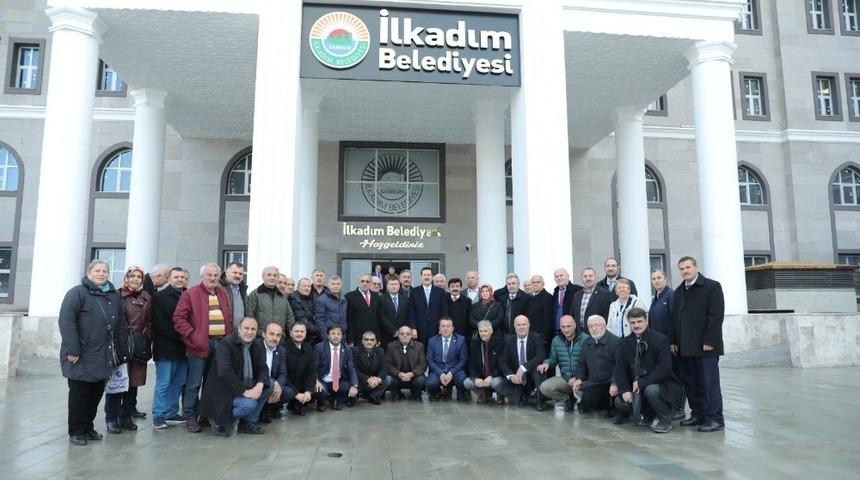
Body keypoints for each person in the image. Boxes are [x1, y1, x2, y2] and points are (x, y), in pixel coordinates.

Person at [59, 260, 124, 446]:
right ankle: (76, 431)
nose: (101, 274)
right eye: (98, 271)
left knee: (95, 394)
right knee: (79, 394)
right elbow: (66, 321)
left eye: (105, 271)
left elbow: (119, 324)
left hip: (104, 355)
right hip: (80, 354)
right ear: (89, 272)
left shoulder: (113, 295)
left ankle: (88, 427)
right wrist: (72, 348)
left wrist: (120, 350)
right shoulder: (77, 293)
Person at [172, 262, 234, 433]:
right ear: (202, 276)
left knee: (212, 383)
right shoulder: (191, 293)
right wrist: (194, 336)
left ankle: (205, 414)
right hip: (199, 346)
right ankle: (190, 417)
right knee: (193, 383)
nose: (212, 278)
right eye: (209, 275)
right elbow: (179, 319)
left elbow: (227, 318)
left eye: (215, 275)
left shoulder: (222, 294)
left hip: (220, 345)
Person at [671, 256, 726, 433]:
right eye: (682, 268)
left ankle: (715, 418)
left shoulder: (712, 286)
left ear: (696, 267)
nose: (685, 271)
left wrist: (710, 341)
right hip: (685, 347)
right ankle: (698, 414)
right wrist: (673, 341)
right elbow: (675, 319)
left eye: (688, 267)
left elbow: (716, 316)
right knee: (691, 383)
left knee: (709, 383)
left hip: (705, 347)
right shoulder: (679, 290)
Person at [613, 308, 683, 434]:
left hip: (663, 384)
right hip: (636, 384)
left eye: (639, 321)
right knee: (620, 401)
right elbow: (620, 369)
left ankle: (665, 419)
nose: (636, 325)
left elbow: (664, 368)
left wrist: (642, 383)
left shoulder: (660, 340)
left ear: (646, 322)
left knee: (651, 390)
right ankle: (648, 414)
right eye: (633, 323)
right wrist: (625, 390)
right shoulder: (625, 343)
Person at [199, 317, 271, 436]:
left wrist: (259, 385)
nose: (250, 332)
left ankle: (247, 422)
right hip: (222, 391)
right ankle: (218, 419)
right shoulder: (225, 344)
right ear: (239, 330)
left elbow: (263, 369)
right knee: (250, 404)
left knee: (270, 385)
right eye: (246, 328)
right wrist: (244, 392)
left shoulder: (255, 346)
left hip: (245, 386)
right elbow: (225, 372)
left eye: (253, 329)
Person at [105, 265, 152, 434]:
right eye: (132, 276)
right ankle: (111, 418)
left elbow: (150, 319)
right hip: (121, 345)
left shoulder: (147, 297)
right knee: (117, 384)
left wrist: (147, 334)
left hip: (139, 346)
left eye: (139, 276)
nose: (135, 279)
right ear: (126, 278)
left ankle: (126, 417)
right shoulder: (117, 295)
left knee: (133, 384)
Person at [151, 267, 189, 429]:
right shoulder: (159, 297)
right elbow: (159, 323)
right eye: (176, 277)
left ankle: (171, 412)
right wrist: (183, 334)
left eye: (183, 277)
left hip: (184, 348)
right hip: (166, 347)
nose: (180, 279)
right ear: (169, 278)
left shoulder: (188, 296)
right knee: (163, 383)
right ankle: (158, 415)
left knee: (178, 382)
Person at [537, 315, 588, 411]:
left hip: (582, 380)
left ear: (575, 325)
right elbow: (553, 358)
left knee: (584, 396)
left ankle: (581, 400)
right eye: (563, 327)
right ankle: (568, 400)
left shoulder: (586, 339)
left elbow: (589, 364)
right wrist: (546, 363)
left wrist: (579, 378)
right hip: (566, 379)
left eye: (569, 326)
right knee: (544, 387)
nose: (566, 330)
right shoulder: (556, 340)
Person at [573, 315, 622, 415]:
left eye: (596, 325)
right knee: (582, 394)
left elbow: (620, 367)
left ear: (604, 326)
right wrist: (579, 378)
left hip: (609, 385)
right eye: (590, 326)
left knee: (590, 399)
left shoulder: (616, 342)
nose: (593, 329)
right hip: (593, 383)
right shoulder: (587, 342)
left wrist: (614, 384)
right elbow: (581, 363)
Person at [497, 315, 547, 410]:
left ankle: (541, 401)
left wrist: (524, 367)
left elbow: (541, 356)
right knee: (499, 386)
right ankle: (522, 396)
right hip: (517, 375)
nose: (521, 327)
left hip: (532, 371)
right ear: (514, 326)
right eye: (518, 325)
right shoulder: (509, 340)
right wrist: (511, 376)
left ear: (529, 325)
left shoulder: (537, 337)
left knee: (540, 373)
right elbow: (502, 361)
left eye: (524, 324)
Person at [314, 325, 359, 411]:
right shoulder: (319, 347)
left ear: (342, 336)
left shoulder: (347, 349)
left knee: (350, 387)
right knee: (320, 390)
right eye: (333, 333)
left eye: (339, 334)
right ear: (328, 335)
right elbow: (314, 367)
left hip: (338, 380)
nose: (336, 336)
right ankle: (320, 403)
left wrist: (354, 385)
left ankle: (335, 400)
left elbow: (351, 368)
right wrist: (316, 380)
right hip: (323, 379)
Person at [256, 323, 293, 423]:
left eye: (278, 335)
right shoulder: (256, 346)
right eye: (271, 334)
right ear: (264, 334)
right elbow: (256, 372)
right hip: (258, 383)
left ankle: (269, 408)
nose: (275, 338)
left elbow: (283, 373)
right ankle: (261, 411)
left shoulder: (281, 350)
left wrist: (278, 384)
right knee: (271, 386)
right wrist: (272, 383)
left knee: (288, 392)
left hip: (272, 384)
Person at [426, 317, 468, 401]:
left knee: (462, 379)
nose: (445, 329)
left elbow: (463, 360)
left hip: (455, 370)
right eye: (443, 326)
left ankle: (461, 394)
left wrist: (451, 373)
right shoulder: (432, 341)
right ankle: (436, 392)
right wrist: (440, 373)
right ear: (439, 328)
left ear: (452, 328)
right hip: (438, 369)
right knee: (430, 383)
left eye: (448, 326)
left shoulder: (461, 340)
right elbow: (430, 360)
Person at [463, 320, 505, 404]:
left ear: (491, 331)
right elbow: (471, 365)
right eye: (481, 331)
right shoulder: (474, 344)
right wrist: (475, 378)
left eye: (485, 331)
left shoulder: (500, 343)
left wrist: (492, 376)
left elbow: (502, 364)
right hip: (481, 377)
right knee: (467, 383)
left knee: (495, 382)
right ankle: (484, 393)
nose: (483, 333)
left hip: (496, 376)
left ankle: (500, 395)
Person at [246, 266, 295, 334]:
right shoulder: (255, 295)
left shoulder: (282, 297)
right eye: (269, 275)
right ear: (263, 277)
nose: (272, 278)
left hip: (279, 338)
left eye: (275, 275)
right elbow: (249, 316)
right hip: (260, 338)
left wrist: (291, 334)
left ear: (277, 278)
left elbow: (290, 317)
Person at [283, 323, 317, 416]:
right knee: (288, 393)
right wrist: (296, 393)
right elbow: (283, 375)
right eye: (296, 331)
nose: (299, 334)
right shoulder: (283, 348)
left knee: (318, 390)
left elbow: (311, 372)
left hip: (302, 385)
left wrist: (308, 391)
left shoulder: (308, 348)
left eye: (302, 331)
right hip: (288, 385)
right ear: (290, 333)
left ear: (305, 334)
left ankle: (300, 404)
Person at [408, 266, 448, 346]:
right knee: (420, 353)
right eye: (424, 275)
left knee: (435, 352)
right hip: (419, 329)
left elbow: (443, 311)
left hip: (436, 329)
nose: (426, 277)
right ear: (421, 277)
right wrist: (413, 328)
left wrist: (442, 327)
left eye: (429, 275)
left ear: (432, 277)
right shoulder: (414, 291)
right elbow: (411, 311)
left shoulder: (440, 292)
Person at [386, 325, 427, 400]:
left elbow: (423, 365)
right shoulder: (390, 346)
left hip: (413, 377)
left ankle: (416, 395)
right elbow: (388, 364)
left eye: (407, 334)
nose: (405, 336)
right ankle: (396, 394)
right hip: (397, 377)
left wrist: (412, 374)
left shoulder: (419, 346)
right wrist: (399, 374)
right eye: (402, 334)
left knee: (421, 379)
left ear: (411, 335)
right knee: (388, 378)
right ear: (398, 335)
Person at [353, 331, 391, 405]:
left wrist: (378, 379)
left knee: (388, 379)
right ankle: (355, 396)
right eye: (366, 339)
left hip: (375, 381)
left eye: (372, 340)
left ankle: (373, 396)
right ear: (362, 341)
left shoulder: (380, 351)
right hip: (360, 380)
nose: (369, 342)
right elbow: (354, 370)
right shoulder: (355, 351)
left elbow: (384, 368)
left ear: (375, 342)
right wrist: (367, 379)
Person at [345, 273, 383, 345]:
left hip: (372, 338)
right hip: (357, 338)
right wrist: (350, 340)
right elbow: (349, 320)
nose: (365, 284)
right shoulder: (350, 296)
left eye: (367, 281)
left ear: (371, 283)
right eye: (362, 281)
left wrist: (378, 337)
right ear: (359, 282)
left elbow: (378, 318)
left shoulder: (376, 296)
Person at [527, 275, 555, 354]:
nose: (535, 284)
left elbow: (548, 320)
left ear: (543, 284)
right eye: (533, 282)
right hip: (530, 337)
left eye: (538, 282)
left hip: (542, 339)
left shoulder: (548, 297)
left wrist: (544, 339)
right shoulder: (529, 298)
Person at [289, 277, 321, 344]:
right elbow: (303, 320)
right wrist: (319, 330)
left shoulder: (309, 298)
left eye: (309, 286)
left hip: (309, 335)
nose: (307, 288)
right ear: (298, 288)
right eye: (304, 286)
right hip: (301, 336)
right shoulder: (295, 300)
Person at [314, 275, 348, 339]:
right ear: (328, 285)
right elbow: (319, 320)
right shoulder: (322, 300)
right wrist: (325, 337)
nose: (336, 286)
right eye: (333, 284)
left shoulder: (344, 299)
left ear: (341, 285)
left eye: (338, 284)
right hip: (329, 337)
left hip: (342, 337)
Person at [379, 277, 409, 347]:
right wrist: (393, 330)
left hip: (402, 336)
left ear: (399, 286)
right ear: (387, 286)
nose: (393, 286)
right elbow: (381, 317)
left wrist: (402, 331)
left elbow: (407, 316)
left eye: (396, 284)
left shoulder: (405, 300)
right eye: (391, 284)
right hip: (386, 335)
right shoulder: (381, 299)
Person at [552, 268, 582, 335]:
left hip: (573, 329)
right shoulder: (555, 292)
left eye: (561, 275)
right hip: (558, 329)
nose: (559, 278)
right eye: (556, 276)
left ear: (568, 276)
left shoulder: (578, 290)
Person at [220, 261, 247, 332]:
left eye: (240, 274)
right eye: (235, 273)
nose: (238, 276)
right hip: (223, 334)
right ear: (226, 273)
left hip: (240, 334)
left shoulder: (243, 290)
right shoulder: (218, 288)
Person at [649, 269, 674, 338]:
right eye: (653, 279)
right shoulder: (656, 298)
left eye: (659, 278)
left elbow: (674, 319)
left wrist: (673, 341)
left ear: (665, 279)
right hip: (656, 339)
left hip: (667, 340)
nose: (656, 280)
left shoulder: (671, 295)